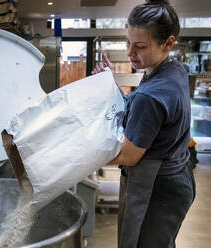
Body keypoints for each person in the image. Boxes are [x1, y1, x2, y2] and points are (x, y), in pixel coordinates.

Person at [92, 0, 196, 247]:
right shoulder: (174, 70)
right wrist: (112, 88)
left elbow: (128, 156)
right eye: (128, 42)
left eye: (139, 46)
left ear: (168, 43)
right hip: (179, 178)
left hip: (155, 189)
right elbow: (144, 110)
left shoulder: (150, 96)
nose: (130, 53)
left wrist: (82, 156)